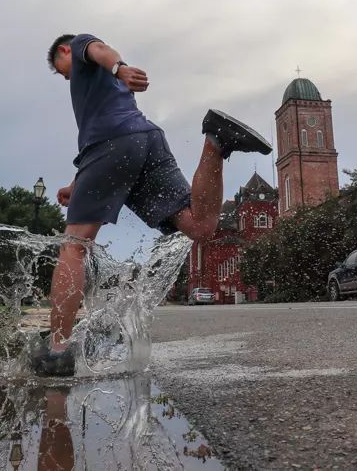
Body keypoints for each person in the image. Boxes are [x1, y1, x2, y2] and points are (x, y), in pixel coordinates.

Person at [34, 33, 271, 376]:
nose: (68, 78)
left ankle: (57, 350)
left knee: (74, 245)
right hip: (144, 141)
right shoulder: (101, 90)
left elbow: (99, 50)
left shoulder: (86, 49)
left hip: (112, 146)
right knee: (200, 226)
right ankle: (216, 140)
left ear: (64, 50)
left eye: (63, 71)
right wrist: (76, 184)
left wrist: (119, 67)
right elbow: (109, 133)